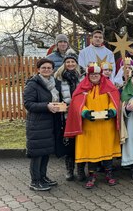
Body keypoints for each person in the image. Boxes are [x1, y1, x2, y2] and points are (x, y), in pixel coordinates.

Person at [64, 63, 121, 189]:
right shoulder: (82, 88)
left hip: (106, 125)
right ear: (88, 76)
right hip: (89, 126)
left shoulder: (109, 87)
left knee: (107, 150)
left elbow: (115, 101)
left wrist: (112, 111)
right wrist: (84, 112)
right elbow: (76, 103)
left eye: (96, 74)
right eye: (92, 75)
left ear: (100, 75)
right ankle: (92, 176)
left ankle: (109, 174)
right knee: (91, 151)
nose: (94, 76)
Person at [24, 58, 62, 191]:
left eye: (49, 68)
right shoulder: (33, 84)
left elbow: (57, 99)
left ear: (52, 70)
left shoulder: (55, 83)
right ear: (38, 69)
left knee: (46, 152)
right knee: (37, 154)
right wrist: (46, 106)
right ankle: (35, 181)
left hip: (51, 123)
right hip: (37, 124)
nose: (47, 70)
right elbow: (28, 104)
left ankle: (43, 177)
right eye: (44, 68)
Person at [54, 51, 86, 181]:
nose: (70, 64)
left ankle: (80, 170)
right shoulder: (59, 78)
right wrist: (62, 105)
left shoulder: (83, 77)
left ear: (76, 63)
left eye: (73, 61)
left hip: (81, 114)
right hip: (66, 115)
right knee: (69, 143)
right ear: (64, 64)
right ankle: (69, 170)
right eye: (68, 62)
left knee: (81, 142)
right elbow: (56, 95)